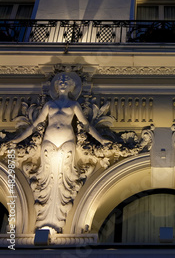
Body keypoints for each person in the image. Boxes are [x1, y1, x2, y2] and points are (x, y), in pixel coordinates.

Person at [11, 72, 109, 233]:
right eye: (60, 81)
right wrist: (17, 140)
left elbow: (85, 125)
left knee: (65, 178)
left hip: (67, 141)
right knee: (46, 176)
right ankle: (45, 215)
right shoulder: (49, 105)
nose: (62, 83)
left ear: (71, 86)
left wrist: (101, 140)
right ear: (56, 86)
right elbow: (36, 125)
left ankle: (58, 213)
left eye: (66, 81)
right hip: (49, 141)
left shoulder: (73, 105)